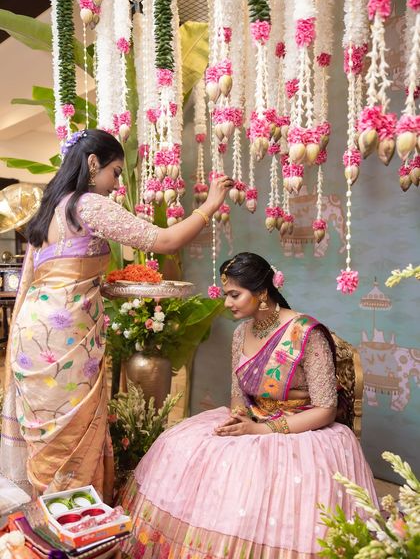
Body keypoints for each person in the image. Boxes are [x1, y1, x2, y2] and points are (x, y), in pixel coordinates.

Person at [0, 128, 232, 501]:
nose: (116, 183)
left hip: (32, 330)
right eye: (116, 172)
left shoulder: (49, 210)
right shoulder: (87, 204)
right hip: (65, 337)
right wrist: (210, 205)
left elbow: (45, 277)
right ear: (93, 164)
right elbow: (164, 240)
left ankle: (48, 514)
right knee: (71, 430)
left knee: (47, 427)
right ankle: (72, 518)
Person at [119, 252, 378, 558]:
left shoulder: (306, 334)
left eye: (234, 295)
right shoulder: (242, 333)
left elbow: (325, 408)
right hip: (253, 418)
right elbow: (237, 395)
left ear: (262, 292)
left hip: (301, 431)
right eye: (226, 294)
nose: (227, 303)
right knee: (181, 446)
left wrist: (261, 430)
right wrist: (239, 420)